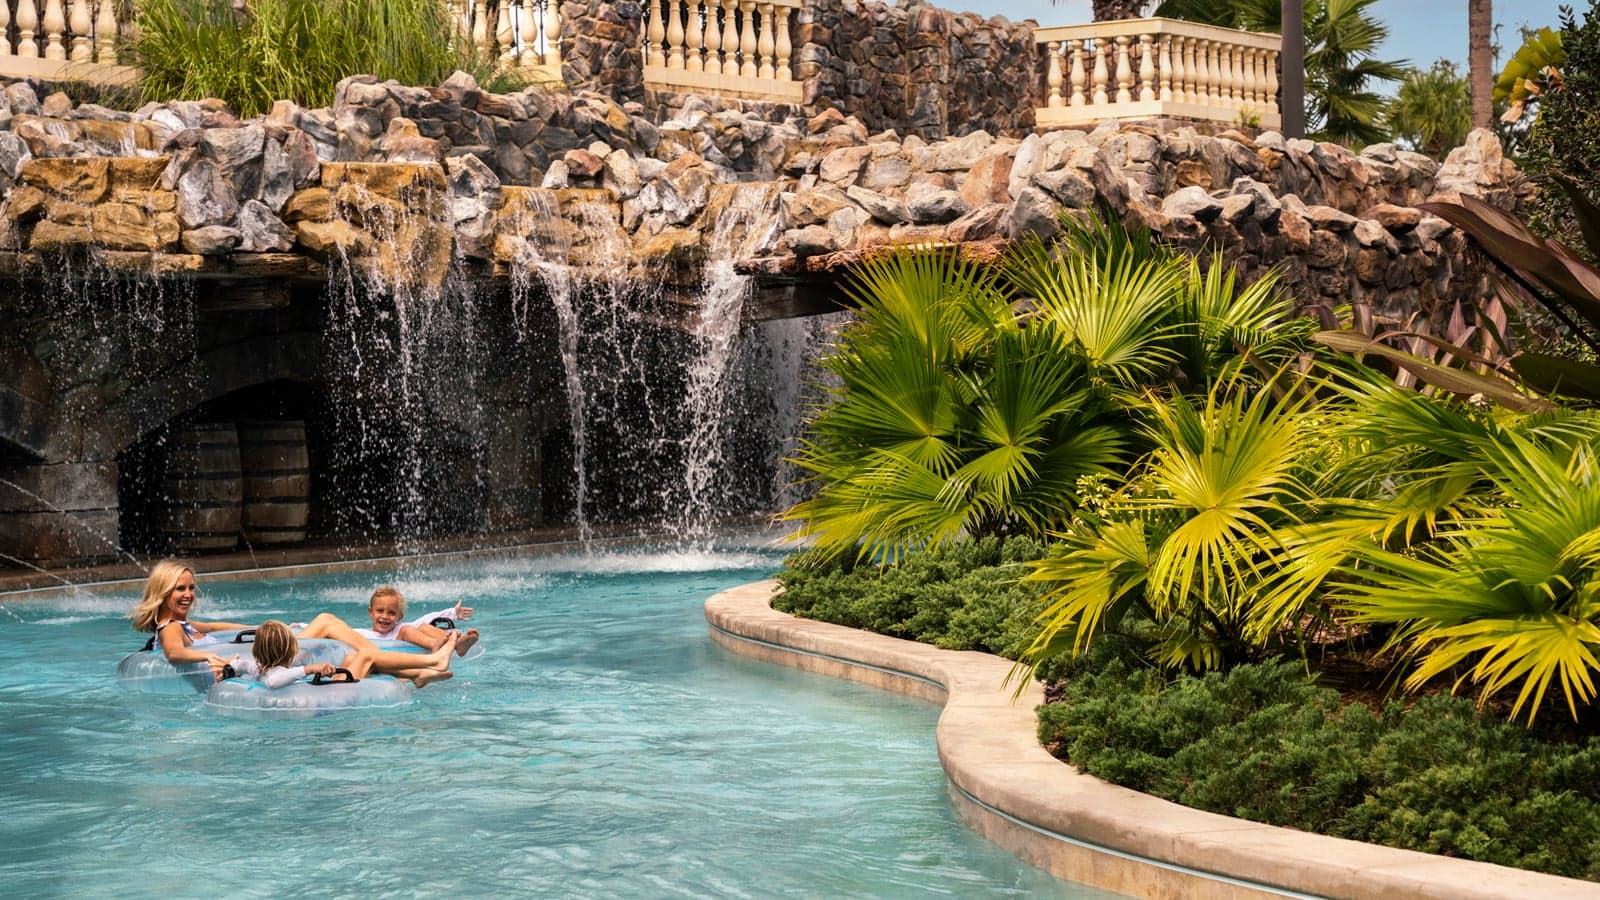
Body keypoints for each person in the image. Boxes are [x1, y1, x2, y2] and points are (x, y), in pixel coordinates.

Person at [129, 559, 453, 683]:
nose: (187, 594)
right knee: (326, 620)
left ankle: (417, 672)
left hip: (266, 651)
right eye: (179, 589)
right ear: (162, 591)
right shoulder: (170, 627)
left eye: (190, 587)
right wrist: (207, 655)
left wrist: (266, 629)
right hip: (269, 660)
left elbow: (214, 628)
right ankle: (429, 659)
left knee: (354, 655)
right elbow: (174, 653)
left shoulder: (183, 623)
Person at [223, 619, 456, 688]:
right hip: (333, 699)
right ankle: (433, 659)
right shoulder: (274, 674)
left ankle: (416, 676)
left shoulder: (259, 666)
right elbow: (275, 681)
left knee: (352, 660)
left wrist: (231, 667)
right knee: (365, 655)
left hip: (329, 690)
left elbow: (244, 664)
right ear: (289, 650)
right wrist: (309, 668)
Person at [359, 585, 480, 657]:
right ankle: (435, 644)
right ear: (370, 612)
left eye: (391, 613)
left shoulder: (399, 628)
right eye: (380, 611)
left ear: (399, 616)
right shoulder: (363, 634)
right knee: (406, 630)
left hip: (413, 648)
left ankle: (458, 644)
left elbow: (426, 619)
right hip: (391, 656)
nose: (385, 616)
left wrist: (452, 613)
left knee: (424, 627)